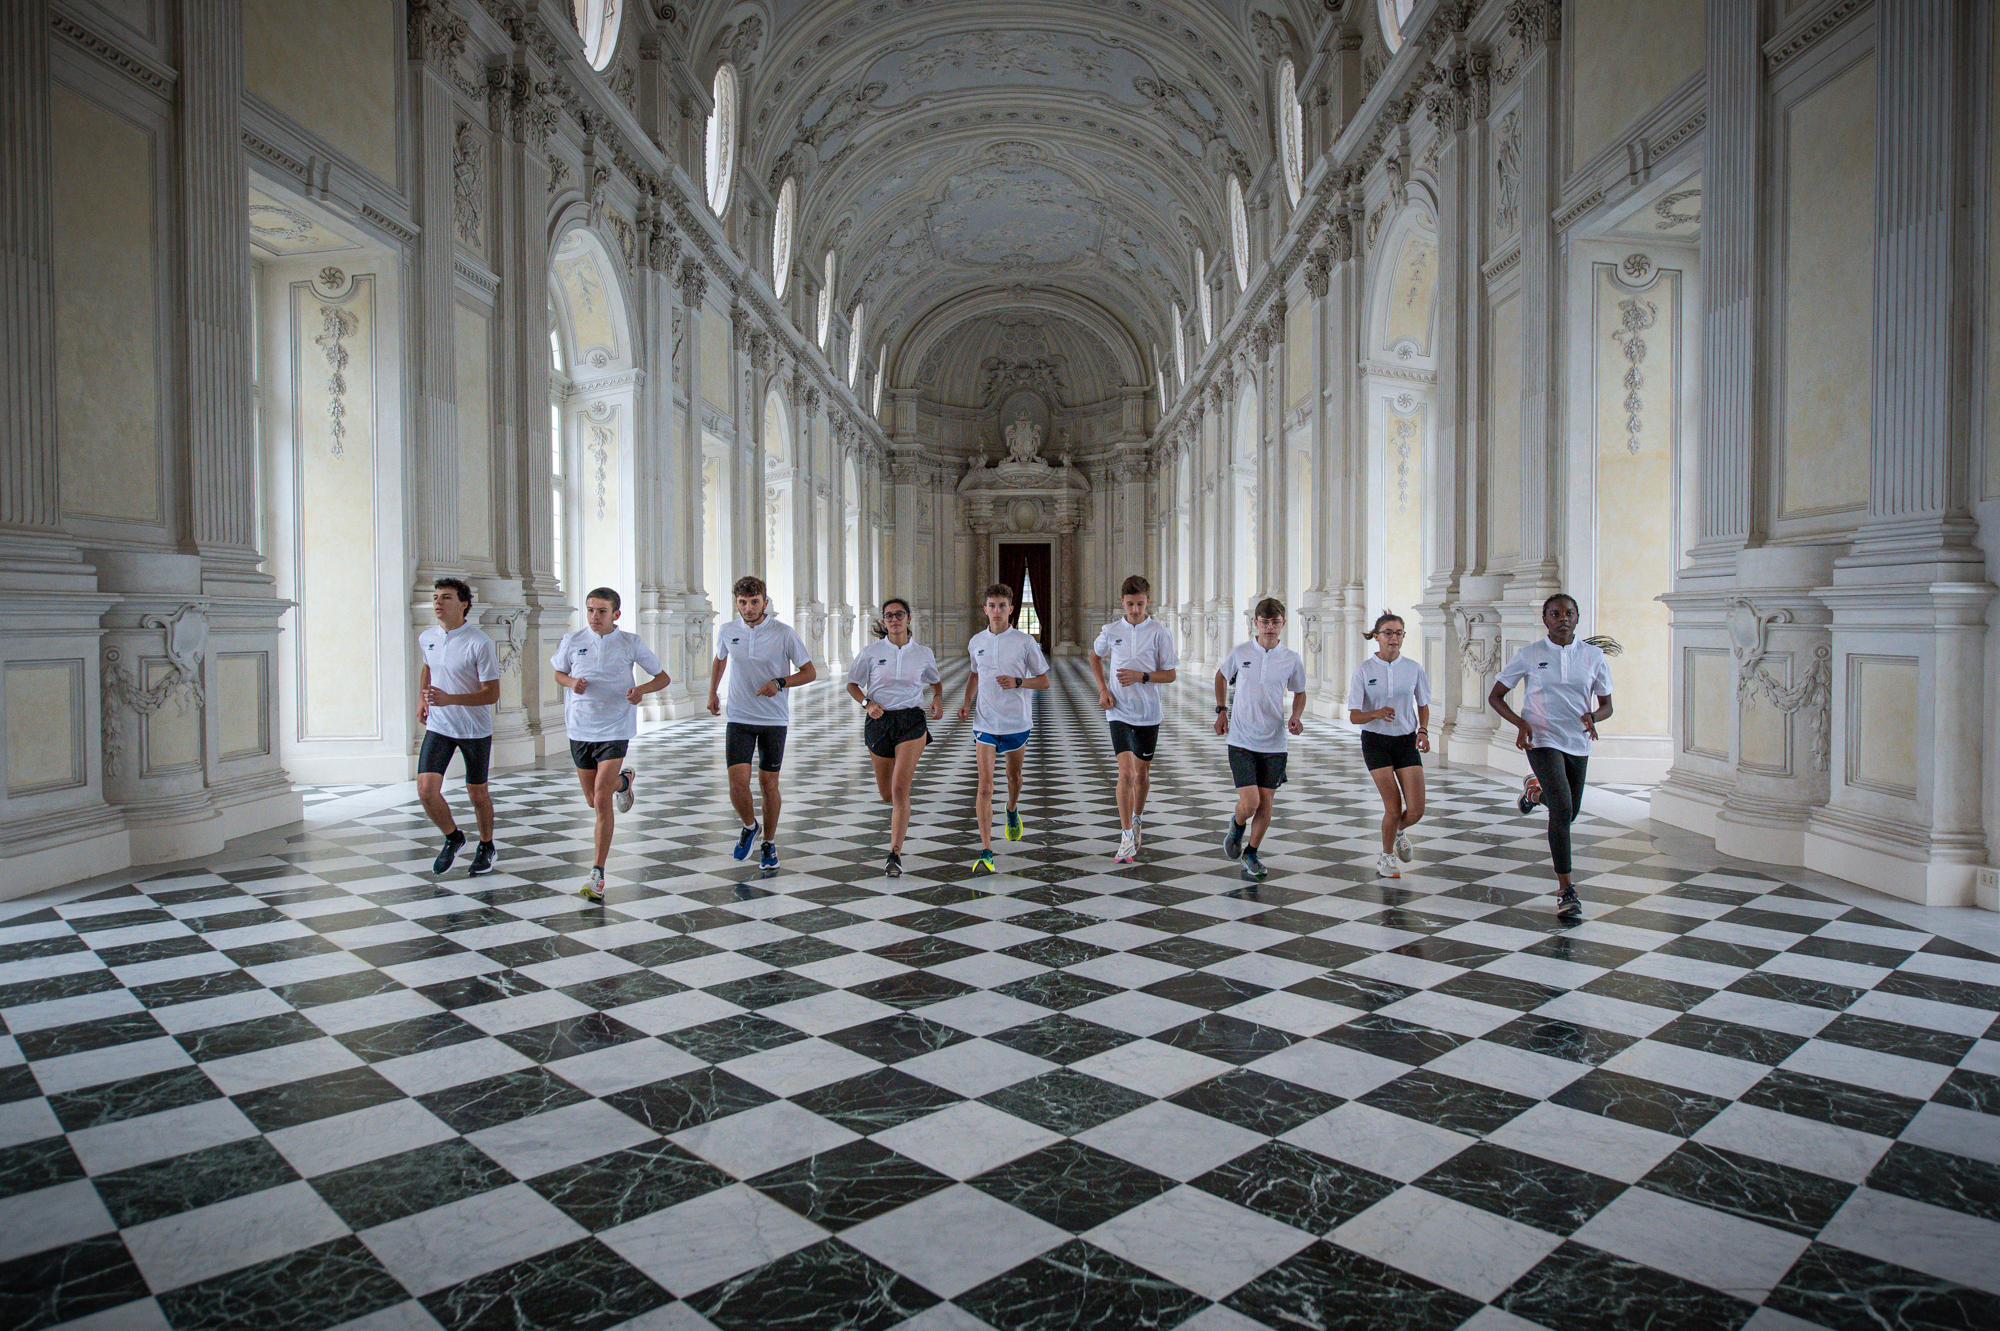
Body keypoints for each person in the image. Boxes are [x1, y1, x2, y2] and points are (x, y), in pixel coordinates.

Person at [1488, 593, 1615, 919]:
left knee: (1568, 813)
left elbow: (1607, 705)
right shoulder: (1530, 654)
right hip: (1542, 738)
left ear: (1577, 617)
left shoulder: (1593, 656)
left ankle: (1534, 793)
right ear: (1545, 620)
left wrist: (1593, 717)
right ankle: (1566, 890)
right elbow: (1496, 696)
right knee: (1561, 808)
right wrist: (1521, 723)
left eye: (1569, 613)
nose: (1563, 619)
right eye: (1555, 614)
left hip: (1577, 741)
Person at [550, 587, 672, 902]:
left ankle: (597, 873)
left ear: (615, 614)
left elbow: (662, 678)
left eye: (602, 611)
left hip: (615, 726)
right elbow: (558, 673)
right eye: (590, 610)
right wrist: (571, 682)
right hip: (580, 727)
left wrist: (641, 690)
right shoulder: (573, 640)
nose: (594, 616)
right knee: (593, 799)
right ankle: (624, 782)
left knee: (601, 797)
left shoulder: (630, 642)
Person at [708, 576, 816, 871]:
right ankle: (749, 825)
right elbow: (720, 659)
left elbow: (809, 672)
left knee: (768, 784)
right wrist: (712, 692)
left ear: (764, 603)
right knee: (737, 784)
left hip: (773, 720)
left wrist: (780, 682)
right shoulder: (728, 630)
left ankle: (768, 843)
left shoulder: (783, 633)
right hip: (739, 717)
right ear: (737, 603)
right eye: (742, 602)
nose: (748, 608)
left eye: (754, 602)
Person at [846, 597, 944, 877]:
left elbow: (935, 680)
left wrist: (937, 698)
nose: (894, 619)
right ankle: (897, 830)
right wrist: (867, 703)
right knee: (887, 793)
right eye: (889, 616)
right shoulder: (871, 652)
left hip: (911, 721)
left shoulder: (922, 653)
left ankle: (895, 854)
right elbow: (852, 684)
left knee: (900, 789)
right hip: (879, 721)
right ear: (884, 621)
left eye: (900, 614)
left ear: (909, 619)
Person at [958, 583, 1050, 875]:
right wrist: (966, 702)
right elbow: (975, 674)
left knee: (1014, 777)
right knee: (985, 786)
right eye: (992, 606)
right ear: (984, 609)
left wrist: (1019, 682)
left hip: (1016, 722)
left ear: (1011, 608)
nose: (996, 611)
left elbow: (1044, 681)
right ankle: (986, 850)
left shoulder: (1025, 642)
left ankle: (1011, 809)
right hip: (985, 722)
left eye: (1002, 606)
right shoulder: (976, 641)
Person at [1215, 598, 1308, 881]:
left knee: (1266, 805)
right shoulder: (1241, 652)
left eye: (1275, 622)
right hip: (1242, 739)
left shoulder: (1291, 658)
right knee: (1251, 803)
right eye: (1264, 622)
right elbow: (1221, 676)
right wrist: (1221, 710)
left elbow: (1300, 691)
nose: (1270, 627)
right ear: (1255, 623)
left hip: (1274, 742)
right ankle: (1237, 823)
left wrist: (1296, 715)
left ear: (1283, 624)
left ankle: (1251, 853)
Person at [1090, 574, 1179, 863]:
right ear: (1122, 602)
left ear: (1148, 601)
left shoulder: (1160, 633)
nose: (1135, 610)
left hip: (1149, 713)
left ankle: (1137, 819)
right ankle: (1126, 835)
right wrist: (1103, 689)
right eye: (1130, 604)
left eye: (1140, 604)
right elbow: (1095, 657)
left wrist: (1142, 677)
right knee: (1126, 774)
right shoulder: (1112, 630)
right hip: (1118, 710)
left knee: (1141, 775)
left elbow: (1170, 674)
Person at [416, 578, 501, 876]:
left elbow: (491, 694)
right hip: (439, 726)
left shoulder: (479, 642)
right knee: (426, 790)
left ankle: (486, 846)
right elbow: (429, 666)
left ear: (463, 604)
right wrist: (422, 699)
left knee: (477, 794)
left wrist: (450, 698)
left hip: (473, 729)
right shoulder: (428, 637)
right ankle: (454, 838)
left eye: (446, 597)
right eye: (436, 597)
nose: (438, 602)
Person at [1348, 610, 1432, 880]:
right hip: (1376, 742)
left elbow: (1423, 704)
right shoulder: (1364, 670)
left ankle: (1398, 832)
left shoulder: (1413, 668)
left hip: (1406, 740)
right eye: (1388, 633)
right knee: (1393, 808)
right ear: (1376, 636)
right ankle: (1386, 857)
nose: (1393, 638)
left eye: (1398, 633)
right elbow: (1354, 716)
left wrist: (1423, 730)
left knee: (1416, 810)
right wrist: (1375, 713)